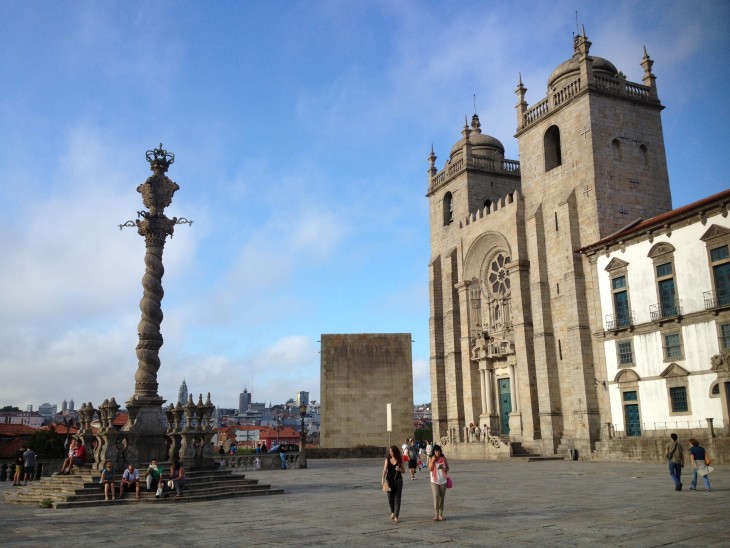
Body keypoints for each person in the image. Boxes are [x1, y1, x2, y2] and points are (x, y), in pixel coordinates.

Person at [381, 445, 405, 523]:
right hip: (389, 481)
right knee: (390, 498)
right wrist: (382, 479)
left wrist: (399, 469)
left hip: (398, 480)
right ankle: (393, 512)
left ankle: (396, 516)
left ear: (395, 452)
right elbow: (385, 470)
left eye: (392, 451)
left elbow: (404, 470)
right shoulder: (387, 459)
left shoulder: (399, 459)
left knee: (397, 498)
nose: (390, 453)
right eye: (390, 451)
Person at [428, 444, 449, 521]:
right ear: (433, 451)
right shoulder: (431, 458)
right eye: (436, 451)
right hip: (434, 480)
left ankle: (440, 514)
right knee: (436, 496)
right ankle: (436, 514)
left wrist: (443, 468)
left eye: (439, 451)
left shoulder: (443, 458)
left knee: (442, 498)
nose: (438, 453)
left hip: (443, 480)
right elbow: (430, 469)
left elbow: (447, 468)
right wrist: (433, 461)